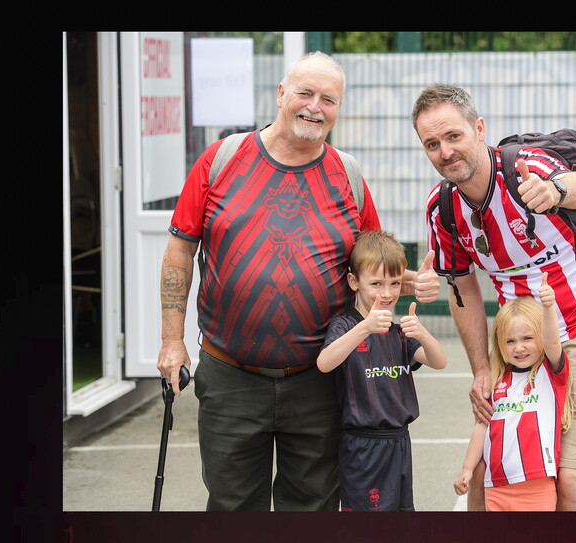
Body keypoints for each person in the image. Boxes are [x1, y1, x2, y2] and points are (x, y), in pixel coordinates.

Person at [156, 52, 440, 512]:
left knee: (312, 508)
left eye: (329, 99)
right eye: (305, 93)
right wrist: (172, 340)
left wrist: (412, 283)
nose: (315, 106)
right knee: (232, 508)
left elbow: (371, 270)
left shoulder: (347, 176)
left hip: (319, 379)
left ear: (338, 109)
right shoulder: (222, 159)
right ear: (281, 94)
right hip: (230, 375)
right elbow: (180, 250)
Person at [412, 83, 576, 511]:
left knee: (567, 477)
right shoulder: (444, 209)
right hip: (517, 346)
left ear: (478, 128)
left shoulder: (524, 167)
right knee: (489, 468)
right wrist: (480, 370)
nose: (445, 151)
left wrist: (556, 191)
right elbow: (464, 291)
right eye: (432, 143)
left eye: (453, 136)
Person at [317, 229, 447, 511]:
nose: (386, 293)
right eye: (376, 283)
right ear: (354, 282)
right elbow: (324, 362)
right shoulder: (346, 326)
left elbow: (439, 361)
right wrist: (365, 327)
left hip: (400, 441)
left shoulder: (399, 331)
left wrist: (423, 334)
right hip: (362, 446)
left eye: (395, 283)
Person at [453, 273, 569, 511]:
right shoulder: (495, 382)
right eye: (510, 341)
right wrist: (466, 468)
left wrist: (548, 308)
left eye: (528, 338)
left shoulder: (550, 373)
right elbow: (481, 427)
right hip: (496, 486)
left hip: (537, 485)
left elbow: (552, 342)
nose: (519, 347)